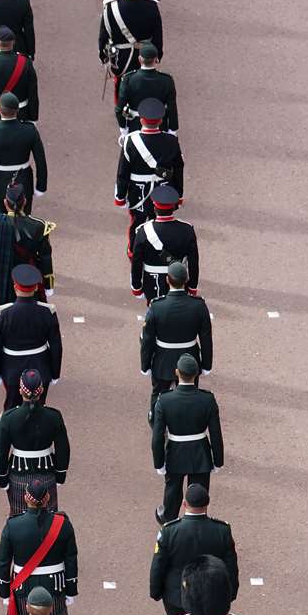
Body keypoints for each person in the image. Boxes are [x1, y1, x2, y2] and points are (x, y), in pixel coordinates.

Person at [0, 186, 54, 367]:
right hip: (28, 280)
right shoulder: (38, 226)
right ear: (24, 202)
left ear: (5, 203)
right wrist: (48, 286)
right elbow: (45, 259)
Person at [150, 482, 238, 615]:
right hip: (212, 593)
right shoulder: (222, 530)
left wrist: (155, 591)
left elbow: (158, 565)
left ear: (184, 504)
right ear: (206, 504)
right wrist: (230, 593)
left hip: (177, 595)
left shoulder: (169, 531)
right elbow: (231, 567)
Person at [152, 353, 223, 523]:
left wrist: (159, 463)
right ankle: (196, 521)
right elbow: (215, 433)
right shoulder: (207, 399)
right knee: (198, 492)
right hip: (201, 452)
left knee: (173, 490)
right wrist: (217, 461)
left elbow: (157, 436)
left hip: (175, 450)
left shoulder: (165, 400)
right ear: (196, 374)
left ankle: (169, 519)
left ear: (177, 372)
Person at [140, 259, 212, 424]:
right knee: (190, 395)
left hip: (162, 359)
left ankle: (157, 423)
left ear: (167, 280)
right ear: (186, 280)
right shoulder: (198, 306)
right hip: (190, 357)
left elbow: (148, 339)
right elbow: (206, 338)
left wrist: (145, 365)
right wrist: (206, 365)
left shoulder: (157, 306)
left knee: (158, 395)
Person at [0, 478, 77, 615]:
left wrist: (4, 592)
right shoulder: (63, 524)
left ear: (25, 498)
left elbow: (4, 561)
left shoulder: (12, 525)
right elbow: (71, 559)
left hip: (23, 585)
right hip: (55, 586)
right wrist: (71, 590)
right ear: (48, 497)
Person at [114, 98, 184, 257]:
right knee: (160, 224)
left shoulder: (131, 140)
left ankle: (134, 252)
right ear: (160, 120)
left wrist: (120, 196)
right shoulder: (171, 140)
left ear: (141, 119)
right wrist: (178, 194)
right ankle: (158, 254)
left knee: (137, 222)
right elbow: (178, 168)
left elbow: (123, 171)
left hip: (137, 192)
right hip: (163, 190)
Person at [0, 369, 69, 514]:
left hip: (19, 472)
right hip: (47, 471)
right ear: (41, 390)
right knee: (50, 518)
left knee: (17, 520)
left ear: (21, 390)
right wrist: (60, 475)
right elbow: (63, 448)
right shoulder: (54, 416)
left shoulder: (9, 418)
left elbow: (1, 452)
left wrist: (2, 478)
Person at [0, 264, 62, 407]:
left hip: (11, 370)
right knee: (40, 408)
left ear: (15, 287)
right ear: (34, 288)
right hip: (42, 368)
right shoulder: (47, 312)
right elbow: (56, 345)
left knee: (11, 408)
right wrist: (55, 373)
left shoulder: (2, 314)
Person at [98, 0, 162, 100]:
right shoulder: (151, 6)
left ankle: (121, 111)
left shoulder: (110, 7)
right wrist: (158, 55)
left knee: (120, 87)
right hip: (145, 56)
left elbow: (103, 36)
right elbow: (157, 37)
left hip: (120, 59)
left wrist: (103, 56)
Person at [129, 183, 197, 304]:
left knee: (155, 316)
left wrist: (137, 286)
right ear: (173, 207)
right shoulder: (187, 229)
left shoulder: (143, 231)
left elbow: (137, 261)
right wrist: (192, 286)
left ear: (154, 207)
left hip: (152, 281)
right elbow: (193, 261)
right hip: (179, 280)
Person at [0, 95, 47, 214]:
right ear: (17, 110)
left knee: (1, 221)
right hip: (24, 181)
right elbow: (40, 160)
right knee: (25, 217)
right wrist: (41, 186)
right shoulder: (30, 130)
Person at [116, 40, 176, 134]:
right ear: (156, 59)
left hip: (135, 126)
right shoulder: (167, 80)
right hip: (160, 126)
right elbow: (172, 108)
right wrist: (172, 129)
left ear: (140, 59)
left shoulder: (128, 79)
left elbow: (119, 109)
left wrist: (123, 128)